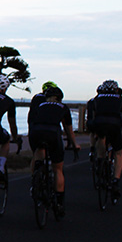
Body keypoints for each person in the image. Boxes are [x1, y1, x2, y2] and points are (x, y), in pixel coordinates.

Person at [28, 86, 79, 217]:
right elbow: (69, 130)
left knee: (39, 153)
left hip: (36, 132)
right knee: (58, 169)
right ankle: (59, 203)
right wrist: (74, 145)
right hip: (52, 133)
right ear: (59, 98)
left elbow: (31, 122)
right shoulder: (63, 107)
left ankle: (36, 179)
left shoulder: (39, 106)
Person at [91, 79, 122, 202]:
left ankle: (100, 160)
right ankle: (115, 181)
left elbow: (93, 116)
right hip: (114, 125)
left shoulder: (96, 99)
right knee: (119, 153)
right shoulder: (120, 99)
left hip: (99, 123)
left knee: (101, 138)